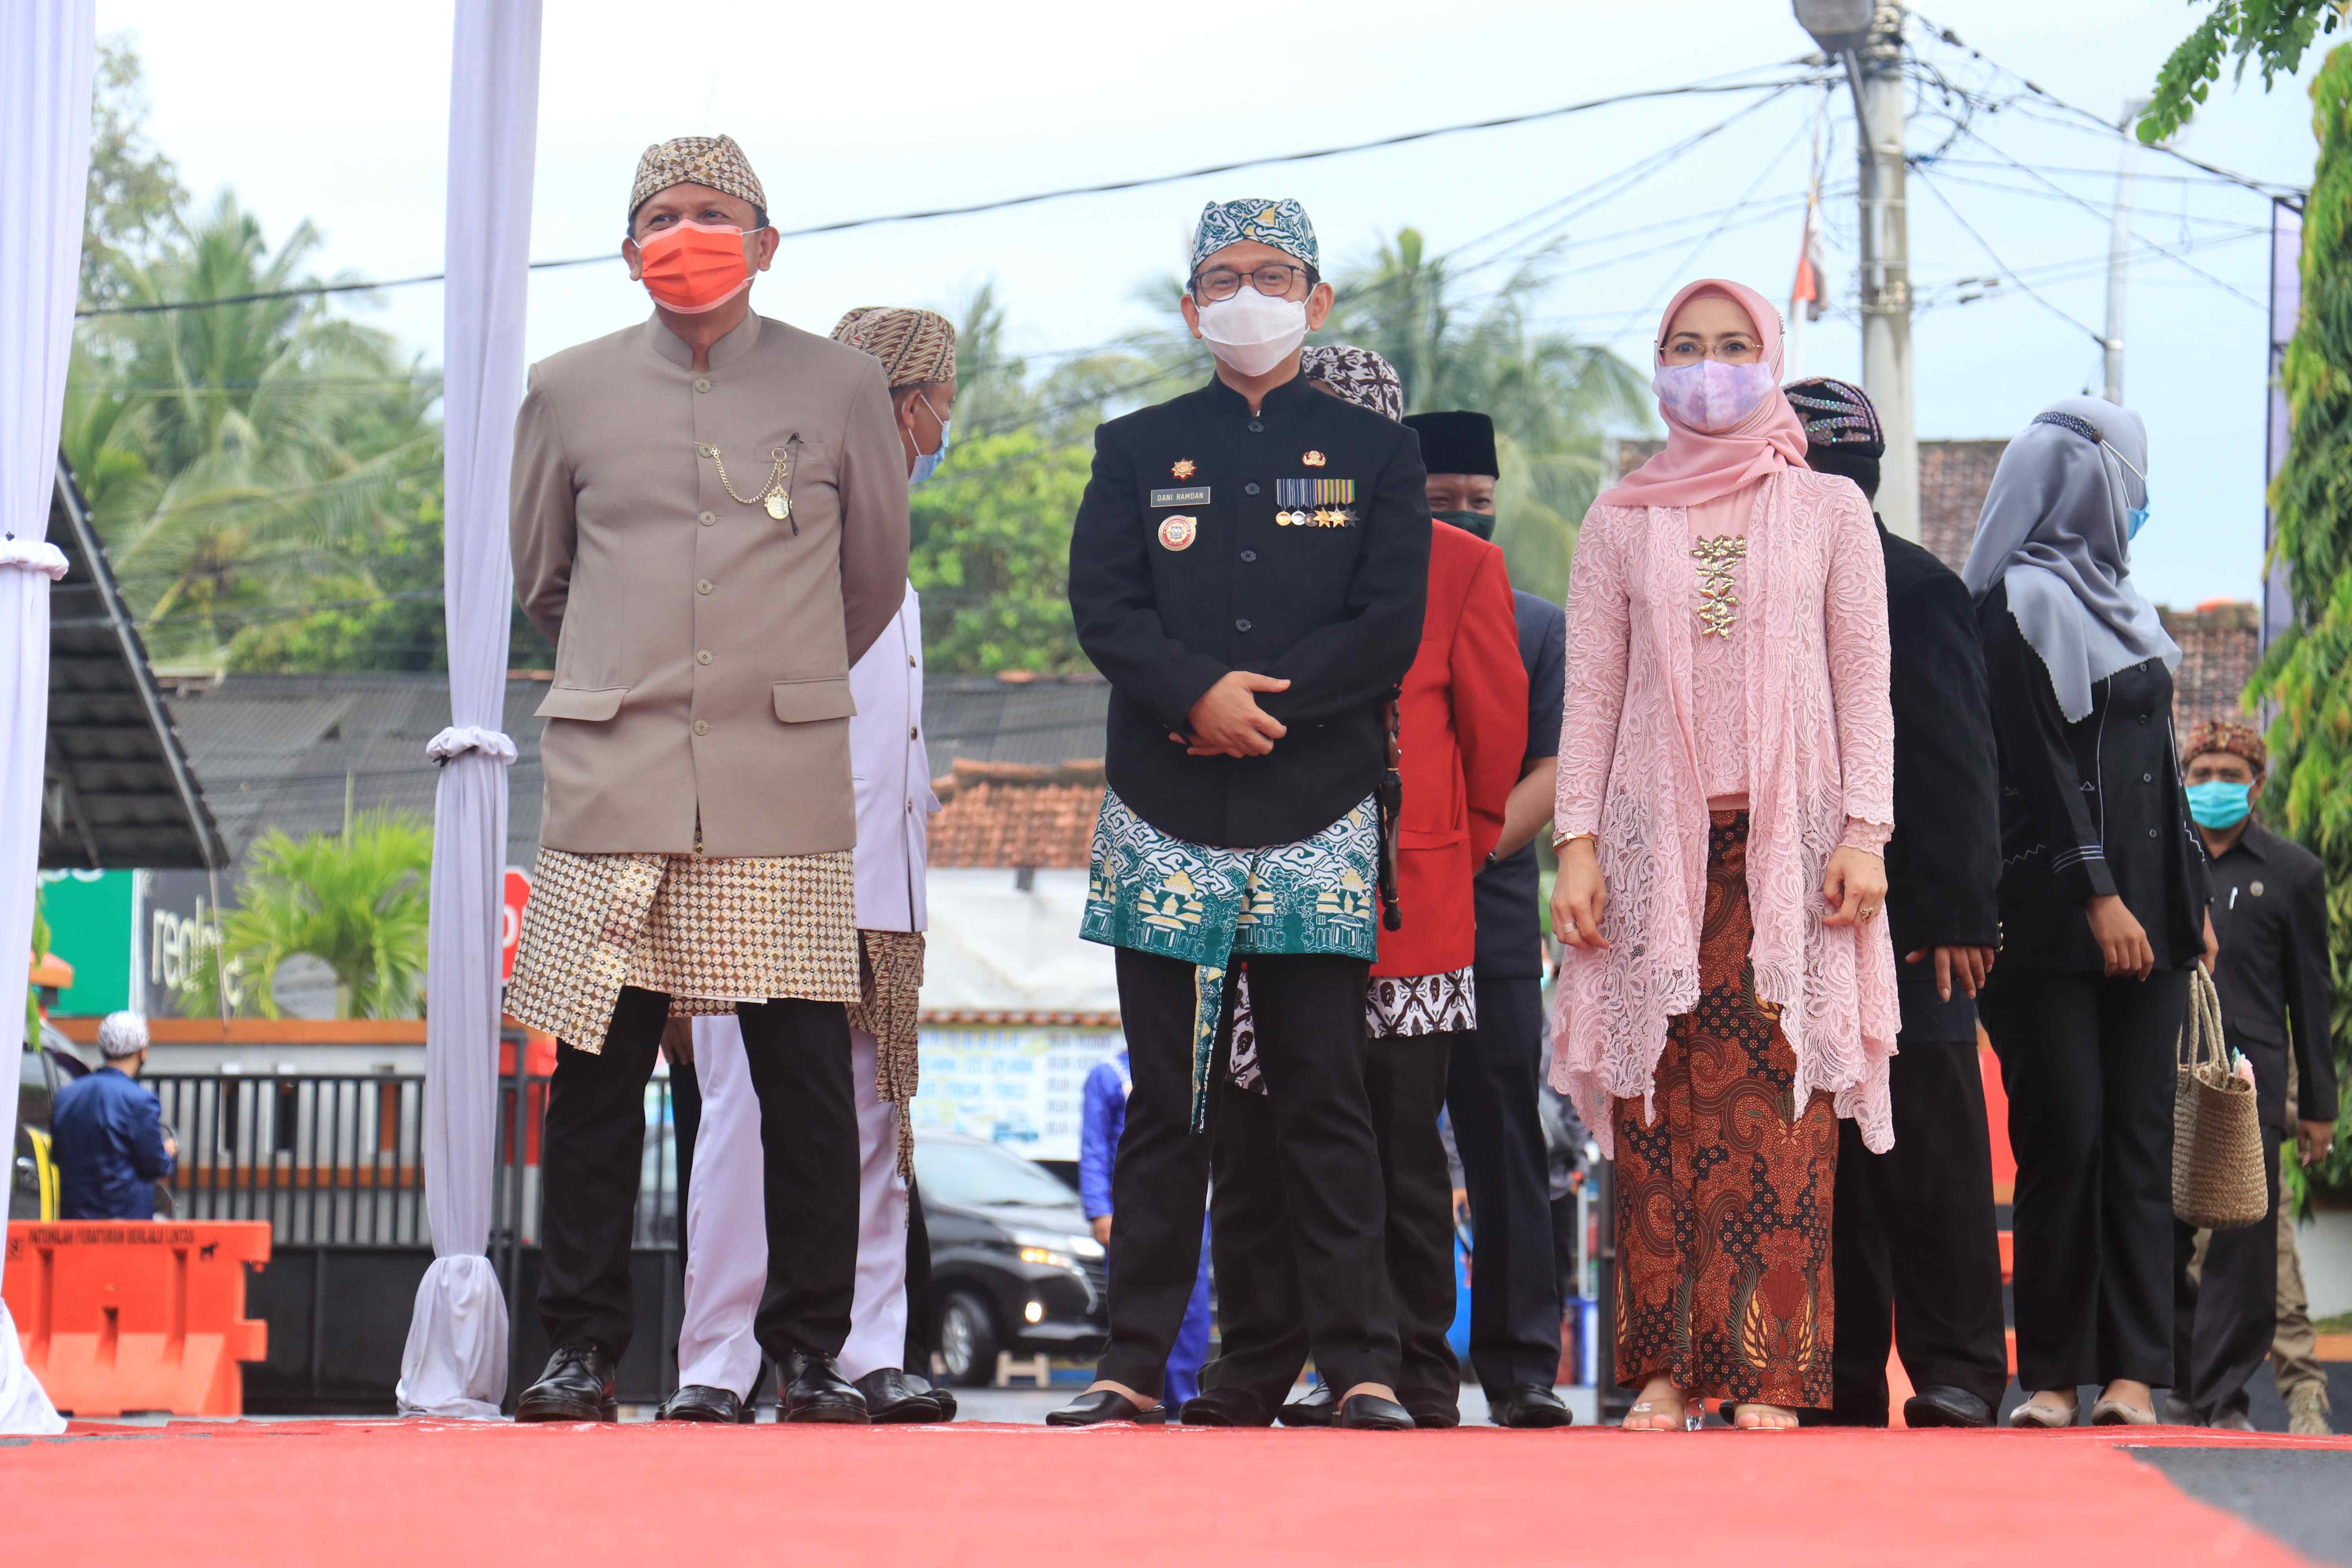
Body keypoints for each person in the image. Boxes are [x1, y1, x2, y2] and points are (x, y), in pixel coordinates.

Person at [502, 134, 910, 1425]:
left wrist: (762, 680)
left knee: (799, 1072)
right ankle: (578, 1349)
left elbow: (873, 578)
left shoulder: (840, 386)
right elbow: (545, 580)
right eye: (662, 216)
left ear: (769, 240)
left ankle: (809, 1352)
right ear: (628, 250)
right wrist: (644, 674)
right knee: (597, 1070)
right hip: (616, 766)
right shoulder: (565, 390)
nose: (689, 234)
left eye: (715, 213)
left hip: (775, 772)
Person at [1049, 197, 1429, 1431]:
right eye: (1223, 277)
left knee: (1326, 1098)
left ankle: (1360, 1365)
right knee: (1170, 1104)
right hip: (1163, 806)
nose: (1247, 296)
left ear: (1318, 303)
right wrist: (1191, 698)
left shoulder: (1377, 456)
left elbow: (1387, 624)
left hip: (1313, 803)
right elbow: (1106, 610)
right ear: (1189, 306)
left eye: (1273, 276)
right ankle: (1127, 1368)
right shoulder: (1134, 447)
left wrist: (1261, 707)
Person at [1548, 279, 1896, 1434]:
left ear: (1770, 357)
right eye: (1686, 348)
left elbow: (1862, 682)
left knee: (1778, 1118)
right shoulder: (1619, 519)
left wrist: (1864, 832)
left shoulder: (1827, 513)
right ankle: (1655, 1371)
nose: (1711, 366)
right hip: (1653, 853)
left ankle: (1767, 1375)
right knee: (1653, 1109)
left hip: (1788, 854)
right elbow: (1590, 693)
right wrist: (1578, 847)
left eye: (1733, 346)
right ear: (1658, 366)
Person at [1193, 350, 1527, 1430]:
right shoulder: (1241, 555)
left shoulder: (1457, 566)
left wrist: (1441, 847)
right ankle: (1254, 1368)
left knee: (1397, 1156)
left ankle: (1413, 1376)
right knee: (1254, 1151)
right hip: (1261, 896)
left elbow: (1493, 742)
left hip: (1406, 908)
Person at [657, 306, 958, 1426]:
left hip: (886, 883)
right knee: (745, 1115)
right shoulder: (778, 528)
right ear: (899, 404)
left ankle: (864, 1349)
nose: (944, 422)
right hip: (772, 878)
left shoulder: (895, 555)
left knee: (875, 1118)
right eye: (938, 399)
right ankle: (718, 1360)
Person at [1963, 396, 2214, 1429]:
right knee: (2065, 1133)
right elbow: (2041, 769)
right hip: (2053, 918)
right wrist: (2100, 894)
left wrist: (2188, 899)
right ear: (2090, 484)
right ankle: (2056, 1376)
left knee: (2142, 1146)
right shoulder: (2018, 604)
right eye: (2133, 481)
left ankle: (2133, 1376)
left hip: (2155, 919)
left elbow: (2155, 767)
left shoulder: (2128, 606)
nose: (2141, 502)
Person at [1785, 377, 2011, 1430]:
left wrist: (1962, 910)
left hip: (1913, 925)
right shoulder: (1759, 595)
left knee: (1927, 1152)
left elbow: (1961, 759)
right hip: (1794, 925)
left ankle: (1960, 1367)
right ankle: (1836, 1377)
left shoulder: (1913, 587)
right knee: (1821, 1161)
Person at [1405, 406, 1573, 1428]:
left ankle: (1521, 1372)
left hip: (1495, 925)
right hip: (1388, 929)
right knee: (1392, 1149)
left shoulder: (1539, 624)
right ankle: (1401, 1366)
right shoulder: (1375, 617)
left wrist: (1455, 850)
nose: (1466, 523)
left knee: (1507, 1144)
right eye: (1440, 508)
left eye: (1480, 505)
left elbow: (1554, 769)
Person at [2170, 719, 2337, 1429]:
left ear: (2257, 784)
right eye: (2201, 771)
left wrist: (2319, 1109)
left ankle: (2224, 1399)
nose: (2213, 785)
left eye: (2229, 774)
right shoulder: (2161, 865)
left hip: (2254, 1082)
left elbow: (2313, 993)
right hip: (2168, 1075)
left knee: (2244, 1256)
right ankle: (2181, 1389)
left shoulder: (2293, 872)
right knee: (2163, 1239)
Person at [1080, 1049, 1212, 1408]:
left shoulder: (1195, 1065)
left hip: (1190, 1204)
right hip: (1130, 1208)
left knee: (1193, 1307)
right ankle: (1138, 1389)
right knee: (1135, 1297)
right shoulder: (1107, 1075)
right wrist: (1099, 1211)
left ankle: (1184, 1397)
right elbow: (1093, 1148)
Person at [51, 1012, 174, 1221]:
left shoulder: (67, 1095)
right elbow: (155, 1166)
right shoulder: (141, 1101)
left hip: (73, 1224)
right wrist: (167, 1152)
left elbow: (58, 1155)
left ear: (103, 1048)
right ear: (143, 1051)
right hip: (123, 1228)